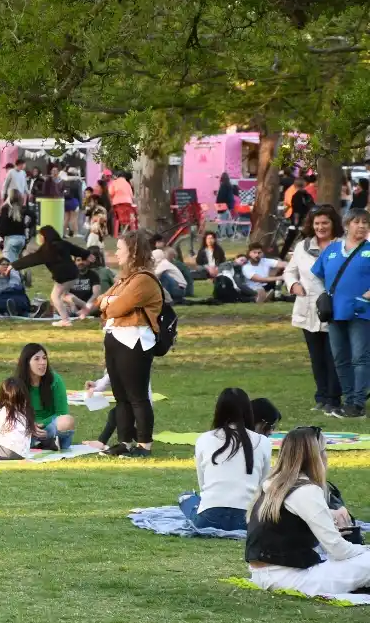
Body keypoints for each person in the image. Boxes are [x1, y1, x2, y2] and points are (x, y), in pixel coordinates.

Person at [245, 427, 370, 598]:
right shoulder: (306, 491)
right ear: (314, 457)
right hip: (293, 578)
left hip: (263, 575)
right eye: (324, 451)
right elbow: (338, 550)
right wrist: (364, 549)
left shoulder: (273, 483)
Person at [96, 230, 163, 457]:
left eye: (120, 248)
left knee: (137, 395)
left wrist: (110, 302)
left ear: (133, 252)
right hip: (115, 338)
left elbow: (114, 308)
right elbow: (100, 302)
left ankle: (144, 445)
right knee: (120, 396)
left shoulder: (143, 280)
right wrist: (109, 301)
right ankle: (124, 442)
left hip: (134, 341)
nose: (116, 252)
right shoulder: (125, 279)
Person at [180, 388, 270, 531]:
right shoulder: (263, 441)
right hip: (247, 520)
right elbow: (264, 485)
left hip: (209, 518)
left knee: (186, 498)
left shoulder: (204, 439)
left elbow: (203, 484)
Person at [310, 207, 370, 418]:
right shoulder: (332, 250)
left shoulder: (369, 249)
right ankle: (348, 399)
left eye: (365, 222)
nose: (361, 226)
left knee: (360, 358)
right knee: (340, 358)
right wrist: (322, 298)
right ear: (346, 225)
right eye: (357, 222)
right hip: (335, 312)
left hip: (362, 312)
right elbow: (317, 275)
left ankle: (358, 404)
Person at [284, 205, 343, 415]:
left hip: (334, 307)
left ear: (333, 224)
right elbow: (289, 271)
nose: (321, 227)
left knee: (333, 356)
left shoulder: (343, 246)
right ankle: (321, 396)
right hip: (307, 307)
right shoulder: (302, 246)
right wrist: (293, 285)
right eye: (317, 223)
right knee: (316, 357)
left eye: (325, 223)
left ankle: (333, 399)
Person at [12, 226, 91, 326]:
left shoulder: (46, 250)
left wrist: (13, 265)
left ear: (44, 236)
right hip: (73, 273)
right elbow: (76, 249)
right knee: (64, 295)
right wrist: (87, 254)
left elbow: (31, 259)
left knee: (55, 296)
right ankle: (86, 306)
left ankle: (65, 320)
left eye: (40, 236)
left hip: (64, 276)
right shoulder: (63, 243)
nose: (39, 238)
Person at [13, 343, 74, 450]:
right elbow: (12, 413)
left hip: (49, 428)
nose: (42, 363)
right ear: (27, 362)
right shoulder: (16, 383)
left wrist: (40, 425)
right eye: (37, 359)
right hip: (25, 429)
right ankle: (40, 443)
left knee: (67, 421)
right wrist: (29, 425)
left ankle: (49, 442)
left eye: (44, 358)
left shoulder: (55, 380)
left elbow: (62, 412)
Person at [0, 190, 29, 261]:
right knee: (16, 261)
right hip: (21, 239)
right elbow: (33, 216)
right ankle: (21, 271)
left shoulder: (5, 209)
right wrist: (27, 226)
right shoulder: (22, 208)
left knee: (8, 263)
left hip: (10, 239)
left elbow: (3, 225)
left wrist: (0, 235)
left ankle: (18, 271)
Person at [216, 172, 238, 238]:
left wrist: (218, 204)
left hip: (223, 205)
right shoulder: (229, 185)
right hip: (229, 204)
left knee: (223, 220)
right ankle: (230, 233)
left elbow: (221, 197)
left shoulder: (223, 186)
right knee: (227, 219)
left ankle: (223, 234)